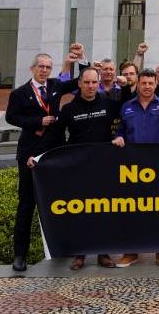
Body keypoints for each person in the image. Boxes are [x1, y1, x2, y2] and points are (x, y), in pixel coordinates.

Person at [4, 51, 81, 272]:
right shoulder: (20, 93)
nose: (44, 70)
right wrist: (38, 121)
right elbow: (11, 117)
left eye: (48, 67)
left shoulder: (55, 85)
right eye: (41, 66)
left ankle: (64, 248)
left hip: (54, 151)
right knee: (26, 204)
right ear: (33, 68)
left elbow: (79, 81)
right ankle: (20, 255)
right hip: (30, 152)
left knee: (61, 202)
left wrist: (80, 60)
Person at [45, 66, 120, 270]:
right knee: (80, 210)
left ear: (99, 83)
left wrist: (120, 136)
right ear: (79, 84)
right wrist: (39, 157)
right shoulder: (69, 109)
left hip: (102, 166)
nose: (90, 86)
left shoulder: (108, 105)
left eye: (94, 82)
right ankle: (80, 254)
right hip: (77, 168)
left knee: (103, 210)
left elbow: (127, 119)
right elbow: (54, 137)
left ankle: (103, 253)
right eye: (86, 82)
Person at [112, 68, 159, 268]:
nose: (147, 87)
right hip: (133, 167)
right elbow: (121, 130)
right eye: (143, 83)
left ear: (155, 85)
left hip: (158, 166)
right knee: (133, 209)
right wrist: (119, 138)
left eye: (150, 83)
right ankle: (131, 251)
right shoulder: (127, 106)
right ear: (138, 84)